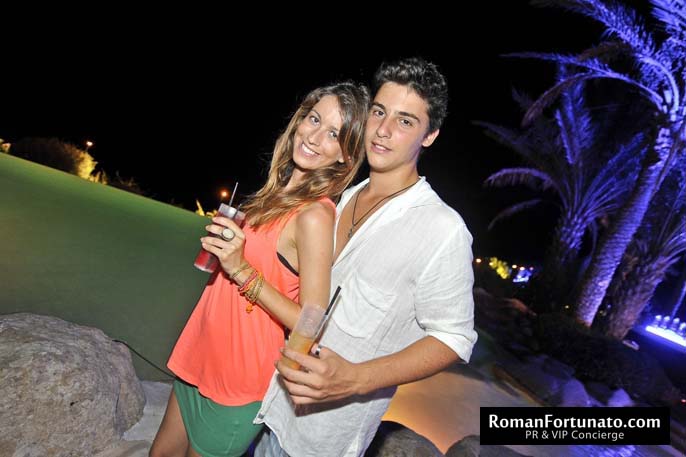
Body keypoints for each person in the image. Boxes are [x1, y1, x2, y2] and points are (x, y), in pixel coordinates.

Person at [253, 57, 478, 457]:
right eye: (378, 112)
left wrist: (356, 379)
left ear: (429, 136)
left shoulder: (442, 229)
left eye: (405, 121)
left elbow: (454, 338)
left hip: (322, 440)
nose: (383, 130)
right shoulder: (348, 195)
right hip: (272, 404)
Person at [149, 81, 369, 457]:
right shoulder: (274, 194)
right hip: (200, 354)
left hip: (237, 381)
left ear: (345, 157)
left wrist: (240, 269)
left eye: (334, 134)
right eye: (314, 119)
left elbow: (310, 322)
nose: (314, 136)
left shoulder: (315, 215)